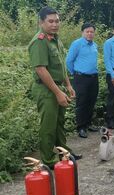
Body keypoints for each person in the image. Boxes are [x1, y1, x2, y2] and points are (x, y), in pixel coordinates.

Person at [28, 7, 81, 168]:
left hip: (58, 87)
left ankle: (63, 153)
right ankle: (49, 160)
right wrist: (58, 93)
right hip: (46, 89)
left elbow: (60, 66)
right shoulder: (39, 41)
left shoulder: (55, 39)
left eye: (57, 21)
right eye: (50, 21)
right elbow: (41, 69)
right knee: (48, 126)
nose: (55, 24)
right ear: (41, 22)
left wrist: (68, 85)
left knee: (59, 123)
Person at [66, 23, 99, 138]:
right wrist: (75, 73)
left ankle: (88, 123)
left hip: (93, 77)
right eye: (87, 31)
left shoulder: (94, 45)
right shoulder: (77, 44)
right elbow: (69, 61)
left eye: (92, 32)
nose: (90, 34)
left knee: (91, 101)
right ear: (82, 32)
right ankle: (81, 127)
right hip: (81, 78)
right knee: (82, 103)